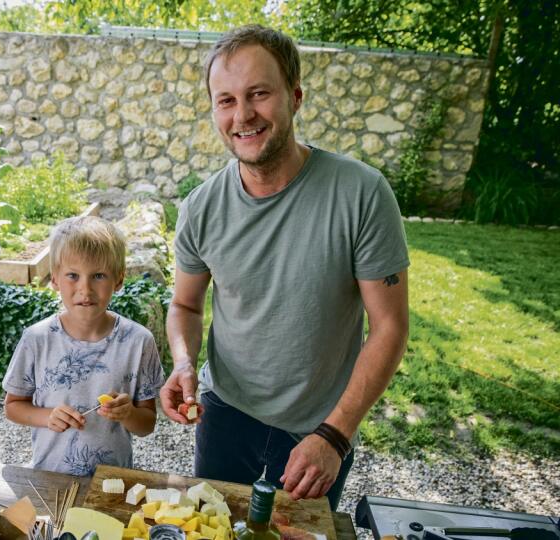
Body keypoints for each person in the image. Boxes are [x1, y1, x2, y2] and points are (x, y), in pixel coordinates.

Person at [160, 24, 410, 510]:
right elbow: (185, 305)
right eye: (226, 100)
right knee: (213, 525)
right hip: (224, 412)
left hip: (319, 425)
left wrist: (336, 436)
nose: (243, 115)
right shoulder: (200, 207)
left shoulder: (361, 194)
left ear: (295, 97)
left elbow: (390, 327)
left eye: (259, 94)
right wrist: (184, 363)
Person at [2, 216, 165, 476]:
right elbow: (13, 407)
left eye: (98, 275)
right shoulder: (37, 339)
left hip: (113, 481)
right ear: (54, 279)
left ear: (119, 280)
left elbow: (147, 425)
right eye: (72, 276)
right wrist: (47, 417)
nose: (85, 289)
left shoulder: (138, 342)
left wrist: (128, 413)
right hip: (50, 476)